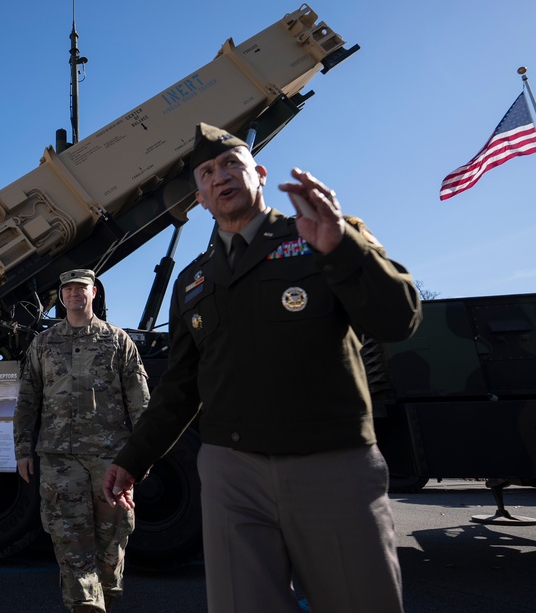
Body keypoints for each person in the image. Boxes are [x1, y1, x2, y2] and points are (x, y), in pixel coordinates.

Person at [103, 123, 423, 613]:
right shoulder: (193, 280)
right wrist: (134, 458)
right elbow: (180, 387)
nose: (220, 176)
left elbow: (399, 319)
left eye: (232, 163)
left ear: (260, 173)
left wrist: (342, 250)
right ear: (200, 197)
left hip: (331, 462)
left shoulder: (324, 234)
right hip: (233, 474)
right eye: (207, 172)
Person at [14, 269, 150, 613]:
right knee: (69, 535)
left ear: (94, 294)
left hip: (111, 456)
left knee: (113, 533)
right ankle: (85, 603)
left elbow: (140, 401)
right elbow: (27, 398)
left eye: (82, 288)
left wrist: (141, 456)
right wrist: (22, 449)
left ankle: (105, 587)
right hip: (60, 456)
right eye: (68, 289)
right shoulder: (43, 343)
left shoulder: (117, 341)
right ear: (61, 296)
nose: (75, 293)